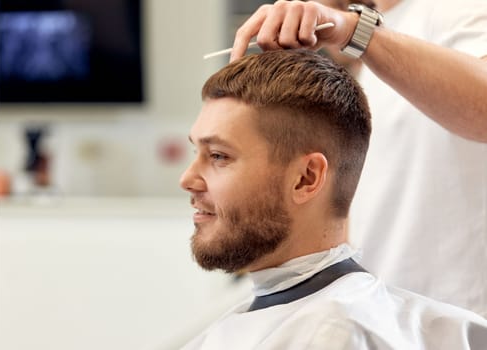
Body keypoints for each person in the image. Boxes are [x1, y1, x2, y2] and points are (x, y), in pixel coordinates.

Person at [179, 49, 487, 349]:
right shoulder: (445, 329)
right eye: (197, 153)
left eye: (218, 156)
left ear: (306, 178)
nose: (188, 179)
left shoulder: (337, 332)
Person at [229, 0, 487, 315]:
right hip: (393, 321)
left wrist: (354, 31)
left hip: (460, 323)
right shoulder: (380, 51)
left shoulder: (456, 10)